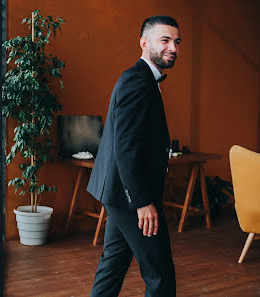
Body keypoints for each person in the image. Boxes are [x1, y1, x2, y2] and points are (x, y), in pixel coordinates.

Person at [87, 15, 181, 297]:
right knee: (160, 275)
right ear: (144, 43)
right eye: (165, 40)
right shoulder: (137, 81)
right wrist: (142, 202)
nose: (173, 48)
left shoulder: (142, 80)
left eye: (176, 42)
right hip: (132, 199)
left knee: (113, 265)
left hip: (119, 194)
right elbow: (125, 147)